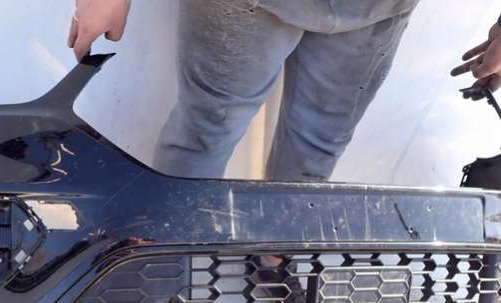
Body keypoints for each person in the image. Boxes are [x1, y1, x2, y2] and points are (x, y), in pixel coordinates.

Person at [68, 1, 501, 181]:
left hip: (376, 9)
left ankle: (278, 261)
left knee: (319, 144)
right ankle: (175, 259)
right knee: (206, 131)